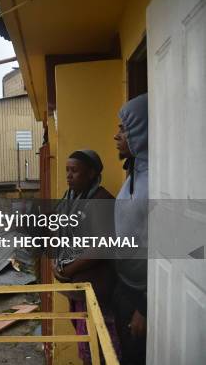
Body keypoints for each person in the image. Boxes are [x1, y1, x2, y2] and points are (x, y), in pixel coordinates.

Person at [53, 149, 120, 364]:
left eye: (75, 171)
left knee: (100, 345)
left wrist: (68, 269)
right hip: (78, 288)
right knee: (85, 342)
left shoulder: (101, 200)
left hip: (97, 288)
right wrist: (59, 263)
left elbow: (102, 247)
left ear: (92, 174)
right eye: (67, 171)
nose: (69, 176)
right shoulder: (72, 199)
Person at [112, 94, 148, 364]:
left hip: (143, 295)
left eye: (123, 129)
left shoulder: (162, 181)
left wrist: (146, 308)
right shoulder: (135, 172)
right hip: (124, 285)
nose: (116, 136)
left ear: (142, 131)